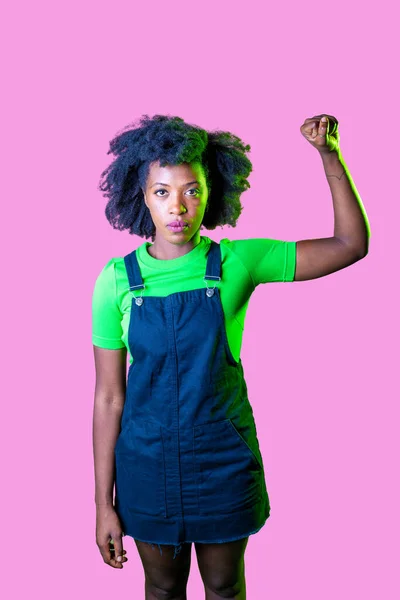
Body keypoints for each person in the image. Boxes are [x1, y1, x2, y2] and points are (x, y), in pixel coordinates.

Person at [92, 113, 370, 599]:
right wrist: (102, 502)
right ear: (142, 196)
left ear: (211, 190)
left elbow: (350, 245)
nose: (178, 207)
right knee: (160, 589)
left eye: (192, 190)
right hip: (145, 463)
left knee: (224, 587)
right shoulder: (115, 280)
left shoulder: (238, 262)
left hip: (222, 460)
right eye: (162, 192)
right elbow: (110, 397)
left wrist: (330, 156)